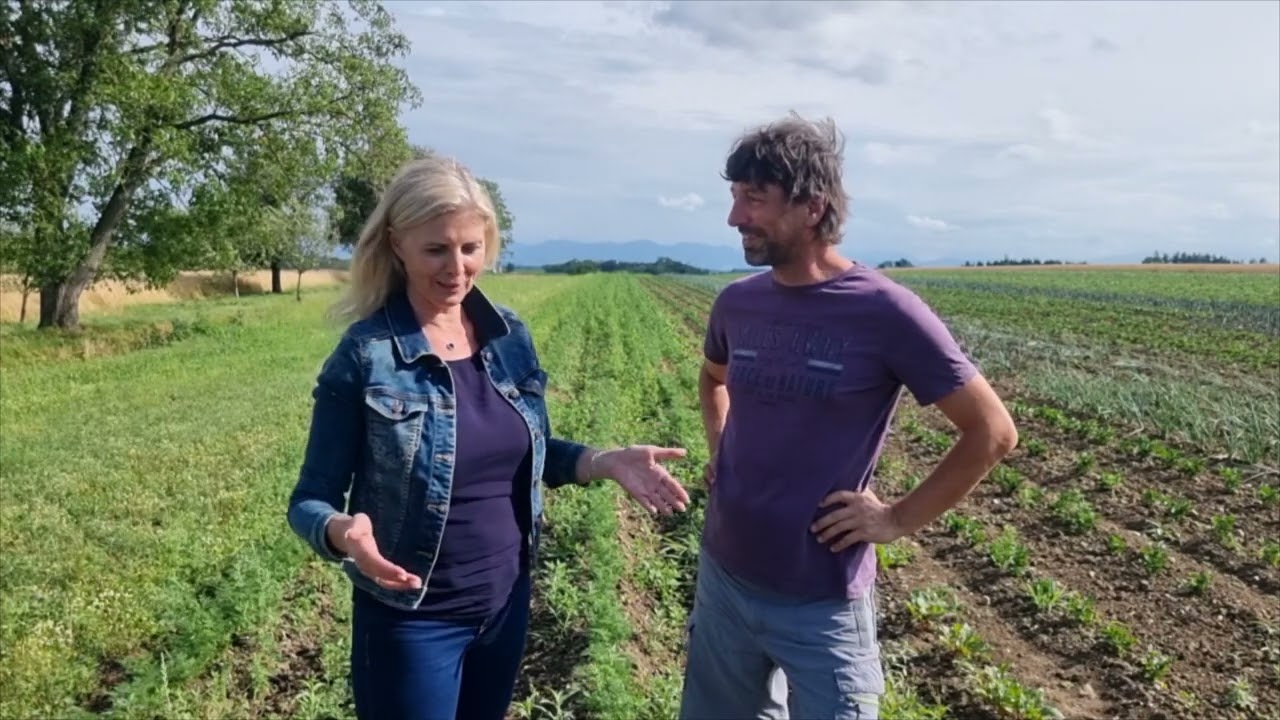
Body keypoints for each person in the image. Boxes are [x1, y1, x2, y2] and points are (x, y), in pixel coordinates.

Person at [286, 152, 691, 720]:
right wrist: (342, 532)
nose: (457, 267)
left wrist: (605, 461)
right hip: (413, 619)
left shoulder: (508, 336)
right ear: (398, 245)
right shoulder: (366, 356)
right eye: (436, 249)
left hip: (505, 606)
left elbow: (532, 453)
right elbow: (309, 498)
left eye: (470, 248)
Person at [677, 113, 1019, 720]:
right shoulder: (737, 303)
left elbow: (991, 431)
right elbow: (713, 378)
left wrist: (897, 518)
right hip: (724, 577)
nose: (734, 217)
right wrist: (721, 446)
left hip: (822, 601)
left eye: (754, 198)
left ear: (812, 207)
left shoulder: (885, 311)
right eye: (734, 197)